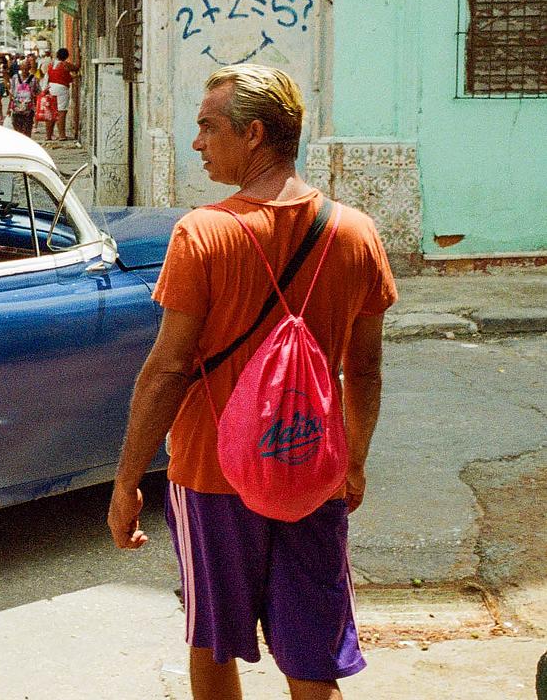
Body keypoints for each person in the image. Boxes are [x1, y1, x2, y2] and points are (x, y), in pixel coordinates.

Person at [107, 65, 396, 700]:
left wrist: (127, 482)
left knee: (214, 645)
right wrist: (353, 463)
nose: (197, 142)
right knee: (314, 661)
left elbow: (167, 371)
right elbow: (364, 371)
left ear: (255, 134)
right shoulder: (355, 233)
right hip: (310, 471)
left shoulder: (204, 233)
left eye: (208, 127)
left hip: (212, 476)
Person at [45, 48, 80, 143]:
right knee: (61, 112)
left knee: (51, 112)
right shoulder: (65, 64)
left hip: (51, 87)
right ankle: (62, 135)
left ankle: (48, 135)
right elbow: (76, 67)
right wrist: (77, 53)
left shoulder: (51, 64)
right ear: (66, 56)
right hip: (61, 88)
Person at [8, 59, 39, 137]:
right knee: (17, 129)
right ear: (20, 68)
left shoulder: (34, 79)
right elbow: (11, 93)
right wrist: (9, 108)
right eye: (23, 68)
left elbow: (38, 92)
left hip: (29, 109)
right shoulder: (15, 77)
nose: (24, 70)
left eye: (26, 68)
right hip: (16, 107)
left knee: (28, 128)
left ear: (29, 68)